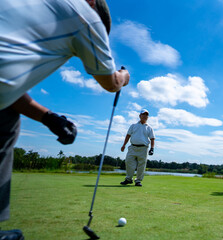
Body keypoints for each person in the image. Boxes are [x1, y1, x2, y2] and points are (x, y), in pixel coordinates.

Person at [0, 0, 130, 239]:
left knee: (6, 115)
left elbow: (5, 89)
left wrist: (48, 117)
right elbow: (111, 83)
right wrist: (124, 76)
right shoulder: (87, 16)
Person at [120, 109, 155, 187]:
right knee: (129, 162)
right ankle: (128, 179)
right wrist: (124, 145)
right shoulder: (133, 126)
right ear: (140, 116)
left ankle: (138, 181)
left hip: (143, 148)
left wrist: (152, 149)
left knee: (141, 165)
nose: (145, 116)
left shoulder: (149, 128)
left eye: (147, 115)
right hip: (133, 147)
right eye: (144, 114)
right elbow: (128, 135)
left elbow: (152, 139)